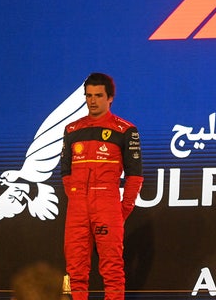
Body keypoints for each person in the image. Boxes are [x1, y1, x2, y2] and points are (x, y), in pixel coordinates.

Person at [61, 73, 143, 300]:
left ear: (110, 98)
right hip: (77, 207)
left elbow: (135, 176)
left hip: (107, 205)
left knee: (112, 269)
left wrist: (121, 209)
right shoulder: (71, 130)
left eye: (98, 95)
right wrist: (78, 198)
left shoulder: (126, 130)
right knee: (75, 269)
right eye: (88, 95)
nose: (93, 100)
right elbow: (66, 173)